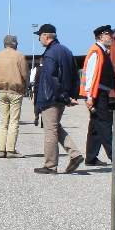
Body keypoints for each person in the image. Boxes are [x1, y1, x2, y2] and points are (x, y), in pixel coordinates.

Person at [33, 24, 83, 175]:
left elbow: (51, 78)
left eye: (39, 36)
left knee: (50, 131)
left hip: (51, 98)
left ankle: (50, 165)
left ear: (46, 36)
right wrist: (71, 96)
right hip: (61, 97)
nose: (39, 39)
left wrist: (64, 96)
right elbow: (76, 76)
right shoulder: (66, 51)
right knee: (55, 127)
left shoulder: (50, 54)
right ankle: (75, 155)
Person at [80, 25, 115, 166]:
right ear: (100, 36)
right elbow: (90, 75)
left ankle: (91, 158)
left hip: (100, 93)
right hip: (97, 94)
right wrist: (89, 96)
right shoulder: (96, 52)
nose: (111, 36)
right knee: (105, 124)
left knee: (95, 126)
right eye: (108, 34)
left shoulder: (102, 51)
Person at [0, 34, 29, 158]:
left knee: (3, 121)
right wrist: (26, 86)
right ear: (15, 44)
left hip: (1, 91)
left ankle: (1, 150)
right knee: (14, 121)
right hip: (15, 91)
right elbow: (24, 74)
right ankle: (10, 150)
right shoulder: (19, 56)